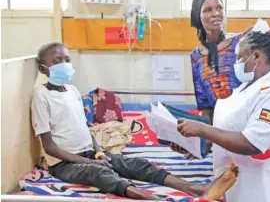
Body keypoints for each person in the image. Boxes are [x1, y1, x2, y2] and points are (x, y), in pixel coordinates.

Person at [31, 42, 238, 201]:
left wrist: (99, 152)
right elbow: (49, 147)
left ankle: (195, 188)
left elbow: (86, 129)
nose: (64, 65)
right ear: (43, 69)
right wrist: (90, 161)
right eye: (57, 62)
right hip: (65, 163)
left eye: (67, 59)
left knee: (136, 163)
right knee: (99, 172)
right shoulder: (42, 97)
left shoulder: (73, 91)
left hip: (90, 153)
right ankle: (147, 196)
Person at [177, 28, 270, 202]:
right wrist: (195, 141)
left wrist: (202, 130)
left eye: (240, 57)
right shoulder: (246, 88)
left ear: (256, 56)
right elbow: (229, 128)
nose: (237, 63)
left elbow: (251, 143)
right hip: (241, 177)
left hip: (263, 182)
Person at [170, 0, 270, 158]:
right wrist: (199, 141)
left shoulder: (243, 43)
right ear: (197, 17)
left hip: (252, 127)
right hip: (223, 136)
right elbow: (206, 107)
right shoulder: (196, 57)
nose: (216, 13)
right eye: (208, 10)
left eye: (220, 8)